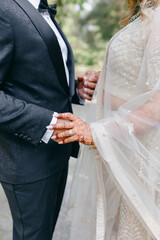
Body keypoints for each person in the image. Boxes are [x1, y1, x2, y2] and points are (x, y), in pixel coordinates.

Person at [51, 0, 160, 239]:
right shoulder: (142, 14)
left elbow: (157, 104)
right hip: (126, 158)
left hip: (143, 164)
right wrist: (104, 82)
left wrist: (97, 132)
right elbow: (141, 87)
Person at [0, 0, 99, 239]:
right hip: (27, 159)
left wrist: (76, 89)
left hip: (57, 153)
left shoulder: (41, 9)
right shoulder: (3, 8)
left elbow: (36, 75)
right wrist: (48, 122)